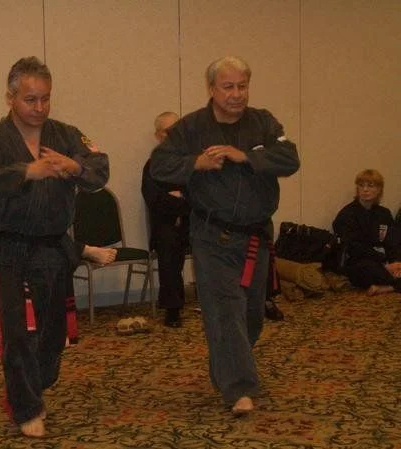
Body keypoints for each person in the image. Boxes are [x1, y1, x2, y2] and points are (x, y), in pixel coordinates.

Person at [0, 57, 109, 437]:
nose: (40, 108)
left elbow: (100, 167)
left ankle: (34, 384)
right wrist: (26, 172)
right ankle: (27, 408)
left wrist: (73, 167)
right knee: (16, 333)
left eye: (45, 99)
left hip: (54, 249)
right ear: (10, 97)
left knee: (50, 333)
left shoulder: (66, 135)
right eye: (31, 99)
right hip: (9, 249)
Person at [149, 56, 299, 415]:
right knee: (225, 311)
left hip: (256, 237)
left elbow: (290, 159)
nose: (236, 94)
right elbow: (159, 166)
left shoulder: (263, 122)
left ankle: (228, 363)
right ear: (212, 89)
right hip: (211, 236)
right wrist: (194, 164)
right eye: (228, 87)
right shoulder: (190, 128)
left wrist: (244, 156)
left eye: (242, 86)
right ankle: (239, 389)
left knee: (251, 314)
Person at [142, 111, 191, 327]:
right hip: (166, 225)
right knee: (168, 243)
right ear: (158, 136)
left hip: (192, 223)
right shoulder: (152, 166)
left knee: (216, 238)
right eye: (168, 131)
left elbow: (201, 196)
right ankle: (173, 309)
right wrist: (180, 201)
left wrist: (180, 200)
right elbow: (155, 200)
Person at [332, 169, 401, 296]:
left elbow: (393, 240)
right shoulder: (347, 214)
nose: (365, 190)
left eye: (370, 186)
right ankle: (394, 284)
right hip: (360, 262)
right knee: (368, 268)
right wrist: (384, 263)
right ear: (357, 189)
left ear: (379, 190)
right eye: (361, 185)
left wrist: (396, 262)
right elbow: (354, 247)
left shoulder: (384, 213)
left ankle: (387, 288)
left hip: (385, 261)